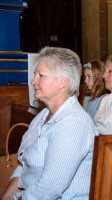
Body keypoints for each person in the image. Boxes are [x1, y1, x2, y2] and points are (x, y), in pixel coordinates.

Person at [1, 47, 98, 200]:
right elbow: (23, 167)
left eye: (41, 75)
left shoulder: (73, 123)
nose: (33, 81)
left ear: (62, 82)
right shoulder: (43, 115)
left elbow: (49, 189)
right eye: (35, 74)